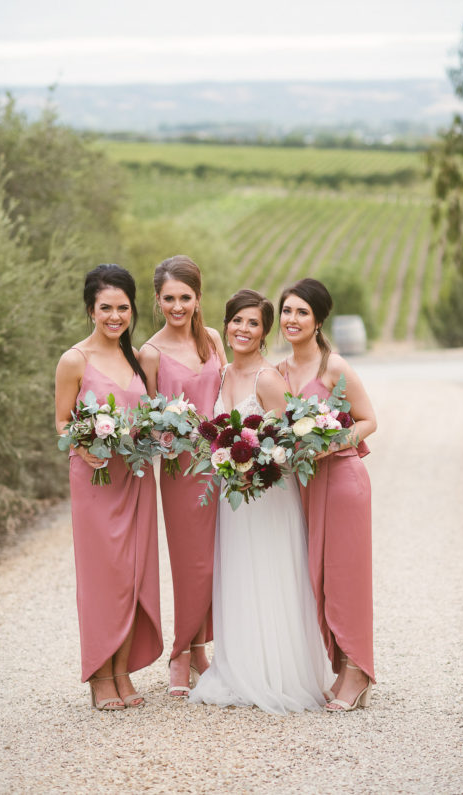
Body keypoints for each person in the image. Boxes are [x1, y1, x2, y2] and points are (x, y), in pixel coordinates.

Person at [189, 289, 331, 715]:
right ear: (227, 324)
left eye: (253, 323)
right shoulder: (222, 374)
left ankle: (277, 675)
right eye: (237, 320)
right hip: (234, 500)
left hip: (268, 495)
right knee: (239, 575)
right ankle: (238, 668)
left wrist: (257, 462)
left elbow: (291, 442)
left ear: (264, 332)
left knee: (270, 574)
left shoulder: (267, 379)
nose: (243, 329)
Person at [55, 264, 163, 710]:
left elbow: (152, 414)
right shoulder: (74, 360)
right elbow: (62, 423)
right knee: (103, 576)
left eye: (123, 307)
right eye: (106, 308)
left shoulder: (138, 357)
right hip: (96, 479)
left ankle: (122, 671)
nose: (115, 316)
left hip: (136, 478)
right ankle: (100, 674)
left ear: (132, 308)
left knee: (134, 572)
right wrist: (83, 449)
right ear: (90, 310)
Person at [278, 277, 377, 712]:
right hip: (306, 486)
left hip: (341, 481)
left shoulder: (333, 367)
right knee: (318, 578)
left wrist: (333, 442)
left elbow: (369, 419)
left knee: (346, 577)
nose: (292, 319)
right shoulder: (280, 372)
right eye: (286, 311)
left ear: (318, 320)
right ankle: (339, 666)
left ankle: (358, 671)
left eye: (302, 312)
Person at [139, 255, 227, 697]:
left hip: (223, 464)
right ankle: (179, 654)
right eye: (169, 298)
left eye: (185, 298)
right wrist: (165, 435)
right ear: (157, 300)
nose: (178, 306)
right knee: (190, 561)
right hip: (179, 470)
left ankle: (198, 650)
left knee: (217, 560)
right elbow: (149, 417)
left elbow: (228, 394)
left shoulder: (212, 339)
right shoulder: (149, 353)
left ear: (197, 297)